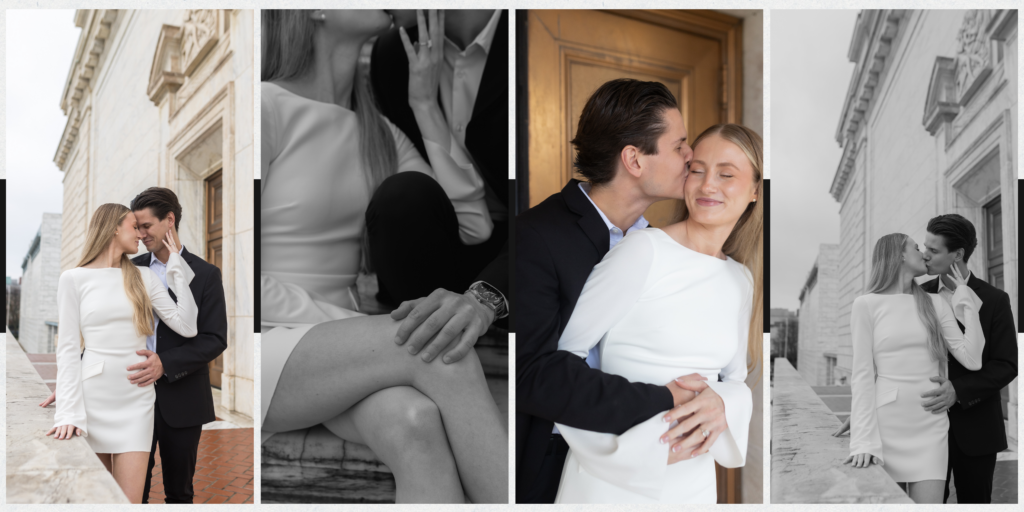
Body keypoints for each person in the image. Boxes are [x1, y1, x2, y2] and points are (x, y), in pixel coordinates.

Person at [260, 9, 506, 503]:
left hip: (335, 349)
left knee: (415, 423)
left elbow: (473, 225)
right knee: (440, 348)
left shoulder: (379, 133)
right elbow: (238, 281)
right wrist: (364, 330)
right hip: (265, 339)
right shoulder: (263, 107)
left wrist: (423, 104)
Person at [516, 77, 759, 503]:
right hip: (590, 461)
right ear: (634, 160)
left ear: (755, 191)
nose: (691, 162)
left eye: (725, 173)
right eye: (684, 150)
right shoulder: (630, 248)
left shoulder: (736, 277)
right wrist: (658, 414)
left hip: (689, 476)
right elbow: (547, 369)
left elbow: (733, 379)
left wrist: (722, 402)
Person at [369, 9, 510, 354]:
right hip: (444, 242)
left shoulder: (538, 34)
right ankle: (423, 337)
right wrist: (423, 103)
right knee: (401, 195)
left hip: (524, 248)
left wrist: (491, 293)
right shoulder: (391, 52)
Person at [46, 203, 198, 503]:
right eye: (134, 227)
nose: (140, 235)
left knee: (128, 501)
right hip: (92, 400)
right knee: (97, 500)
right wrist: (68, 409)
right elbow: (66, 349)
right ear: (114, 228)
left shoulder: (144, 276)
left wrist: (176, 268)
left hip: (136, 400)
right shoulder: (73, 279)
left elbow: (187, 325)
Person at [844, 233, 986, 504]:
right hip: (886, 427)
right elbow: (862, 376)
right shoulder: (866, 305)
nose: (924, 254)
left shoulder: (935, 303)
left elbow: (972, 359)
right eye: (917, 248)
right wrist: (863, 439)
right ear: (899, 254)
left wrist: (966, 300)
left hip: (930, 424)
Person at [921, 214, 1017, 503]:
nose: (925, 255)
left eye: (933, 250)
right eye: (925, 247)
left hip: (977, 430)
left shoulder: (995, 299)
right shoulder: (916, 295)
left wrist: (959, 391)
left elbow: (1006, 365)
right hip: (922, 426)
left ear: (958, 254)